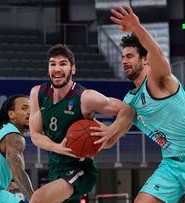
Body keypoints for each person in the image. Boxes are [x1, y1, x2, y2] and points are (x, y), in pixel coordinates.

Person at [109, 6, 185, 203]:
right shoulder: (129, 100)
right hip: (171, 164)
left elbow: (157, 53)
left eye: (129, 56)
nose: (124, 61)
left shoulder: (160, 80)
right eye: (122, 57)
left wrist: (136, 27)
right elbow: (113, 136)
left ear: (145, 60)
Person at [28, 44, 135, 203]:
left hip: (81, 170)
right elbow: (35, 135)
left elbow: (128, 111)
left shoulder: (86, 97)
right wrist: (58, 147)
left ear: (73, 69)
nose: (57, 69)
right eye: (53, 64)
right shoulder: (38, 93)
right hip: (55, 168)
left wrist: (111, 132)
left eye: (63, 64)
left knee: (38, 198)